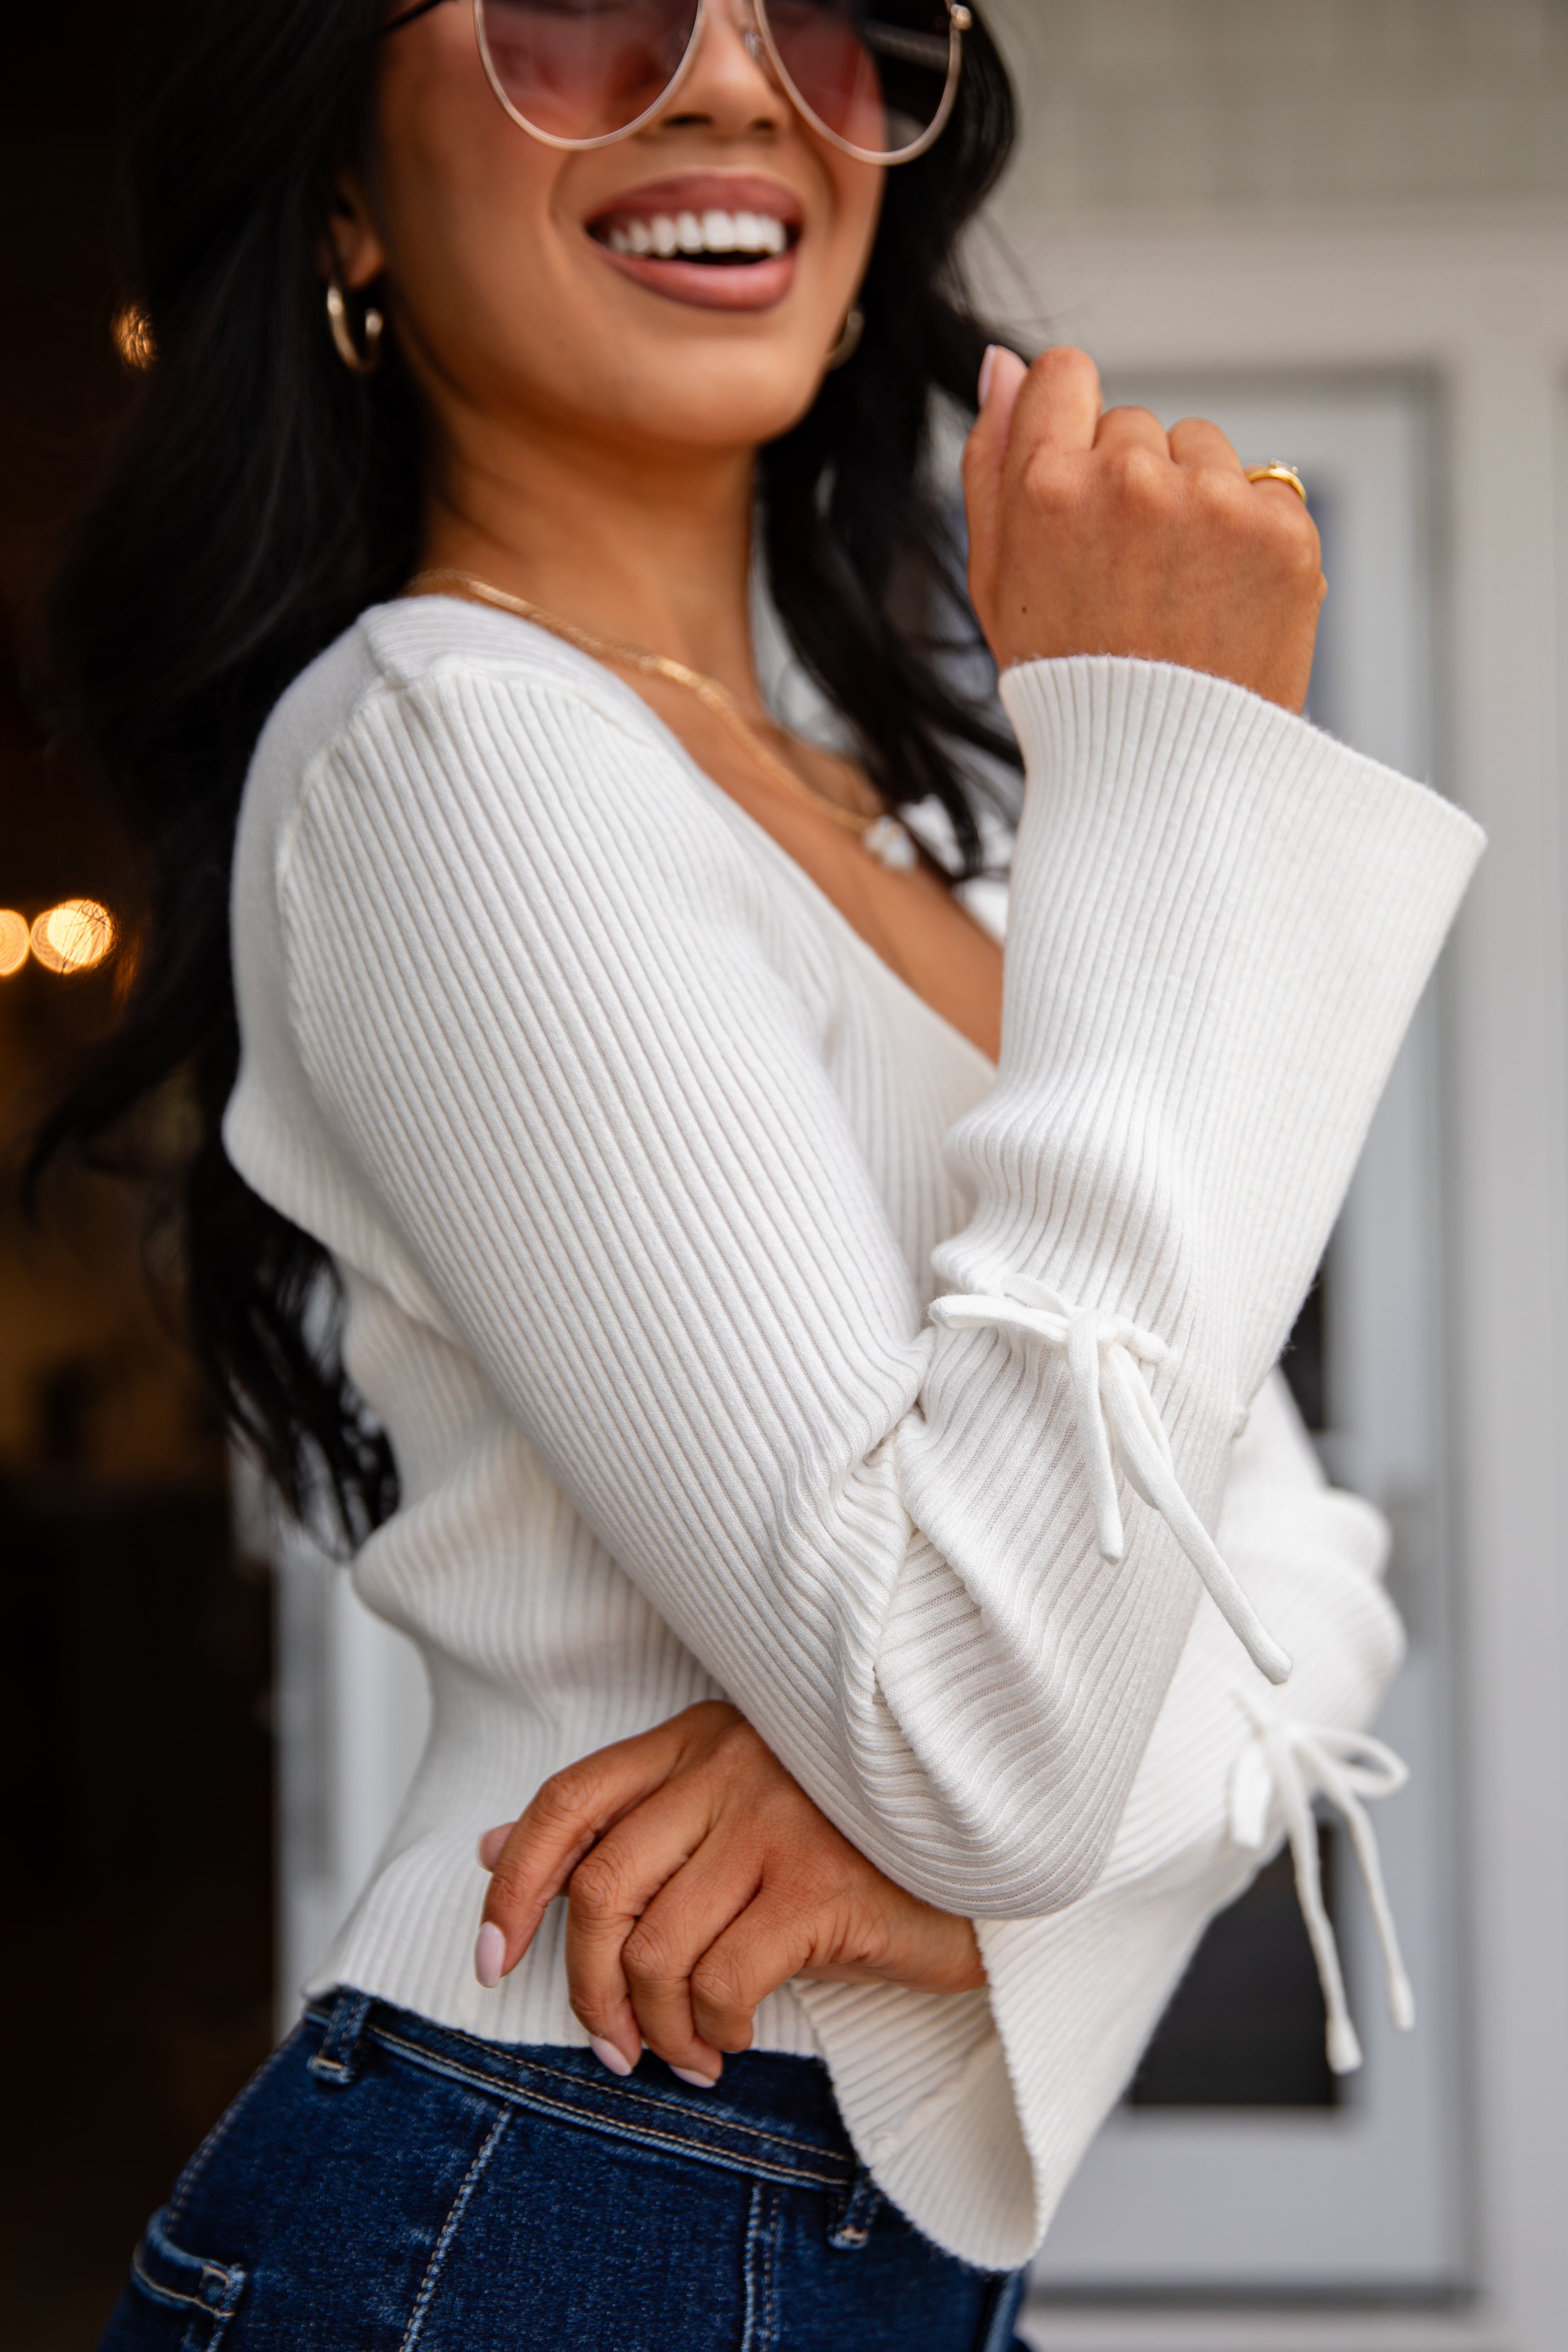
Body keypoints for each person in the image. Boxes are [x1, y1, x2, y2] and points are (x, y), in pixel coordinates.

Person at [43, 1, 1481, 2344]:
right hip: (552, 2185)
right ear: (337, 192)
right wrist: (1182, 770)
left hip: (793, 2232)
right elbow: (995, 1728)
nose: (732, 88)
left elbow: (1299, 1575)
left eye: (820, 20)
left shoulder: (954, 827)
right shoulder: (451, 749)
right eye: (575, 14)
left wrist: (956, 1841)